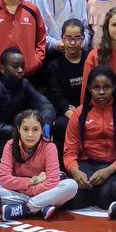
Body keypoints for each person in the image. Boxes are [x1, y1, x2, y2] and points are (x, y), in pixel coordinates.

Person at [64, 66, 116, 210]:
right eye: (96, 87)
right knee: (73, 199)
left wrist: (109, 170)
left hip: (114, 166)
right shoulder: (79, 113)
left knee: (104, 196)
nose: (101, 92)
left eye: (106, 87)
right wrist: (75, 171)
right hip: (87, 164)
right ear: (89, 89)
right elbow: (69, 152)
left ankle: (99, 195)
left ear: (114, 87)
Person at [0, 48, 56, 169]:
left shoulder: (24, 83)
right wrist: (21, 132)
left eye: (23, 66)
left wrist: (45, 125)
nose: (20, 70)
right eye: (15, 67)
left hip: (25, 134)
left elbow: (45, 105)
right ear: (3, 69)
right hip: (2, 139)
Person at [0, 110, 79, 220]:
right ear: (19, 129)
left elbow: (52, 181)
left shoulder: (50, 147)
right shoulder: (10, 145)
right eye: (25, 129)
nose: (30, 134)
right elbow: (4, 178)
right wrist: (34, 181)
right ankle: (42, 206)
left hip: (36, 191)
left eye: (35, 129)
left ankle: (25, 209)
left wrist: (29, 190)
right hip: (21, 193)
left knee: (71, 185)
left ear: (41, 130)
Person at [45, 20, 90, 164]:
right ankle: (62, 167)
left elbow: (96, 88)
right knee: (61, 125)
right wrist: (70, 112)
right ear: (62, 38)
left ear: (83, 39)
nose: (72, 42)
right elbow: (56, 95)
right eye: (68, 38)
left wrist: (84, 111)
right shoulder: (54, 65)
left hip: (90, 108)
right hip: (66, 111)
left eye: (77, 38)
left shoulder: (90, 59)